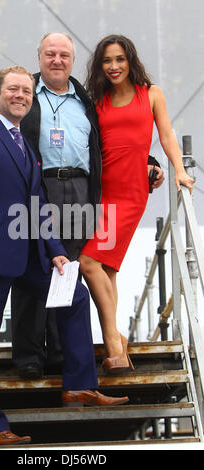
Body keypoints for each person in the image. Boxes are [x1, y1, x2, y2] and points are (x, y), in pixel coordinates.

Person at [0, 65, 129, 447]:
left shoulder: (26, 144)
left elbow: (38, 204)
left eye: (25, 91)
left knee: (74, 296)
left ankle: (79, 386)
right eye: (13, 90)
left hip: (26, 252)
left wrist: (55, 251)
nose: (20, 95)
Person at [11, 32, 165, 380]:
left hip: (80, 188)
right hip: (36, 185)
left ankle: (62, 352)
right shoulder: (24, 91)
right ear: (39, 57)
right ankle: (30, 356)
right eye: (50, 54)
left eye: (64, 55)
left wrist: (148, 162)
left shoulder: (85, 98)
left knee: (70, 268)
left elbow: (113, 140)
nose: (57, 60)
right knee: (30, 265)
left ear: (72, 60)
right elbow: (2, 120)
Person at [78, 35, 194, 375]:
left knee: (88, 262)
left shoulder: (152, 94)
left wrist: (178, 171)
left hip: (130, 192)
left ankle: (113, 344)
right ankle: (118, 340)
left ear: (130, 60)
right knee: (106, 268)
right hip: (101, 192)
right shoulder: (95, 100)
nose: (113, 66)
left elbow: (167, 135)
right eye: (106, 61)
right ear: (100, 66)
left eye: (119, 59)